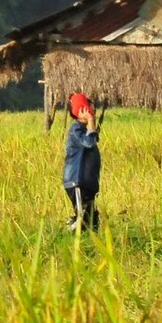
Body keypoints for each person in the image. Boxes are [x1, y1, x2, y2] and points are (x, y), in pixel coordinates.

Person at [63, 92, 101, 231]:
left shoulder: (84, 130)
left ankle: (91, 245)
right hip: (77, 181)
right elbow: (89, 142)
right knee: (82, 218)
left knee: (92, 219)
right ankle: (68, 232)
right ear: (81, 112)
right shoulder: (76, 129)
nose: (92, 113)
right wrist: (90, 121)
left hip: (87, 183)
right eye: (89, 110)